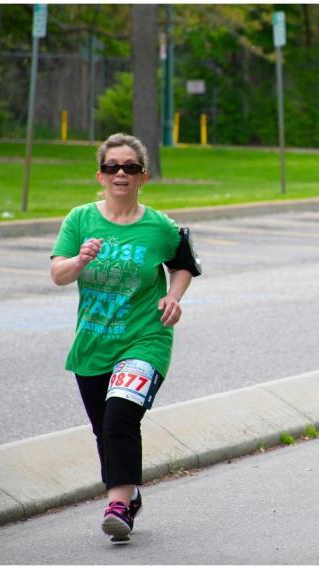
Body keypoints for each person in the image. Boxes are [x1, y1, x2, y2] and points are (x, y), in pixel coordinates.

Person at [50, 133, 201, 541]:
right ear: (100, 175)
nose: (121, 173)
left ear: (143, 176)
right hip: (93, 342)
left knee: (120, 416)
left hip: (145, 339)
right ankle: (129, 493)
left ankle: (117, 506)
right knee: (105, 429)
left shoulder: (160, 227)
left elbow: (183, 264)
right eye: (113, 167)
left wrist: (173, 296)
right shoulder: (80, 219)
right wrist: (80, 259)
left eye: (130, 167)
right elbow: (58, 273)